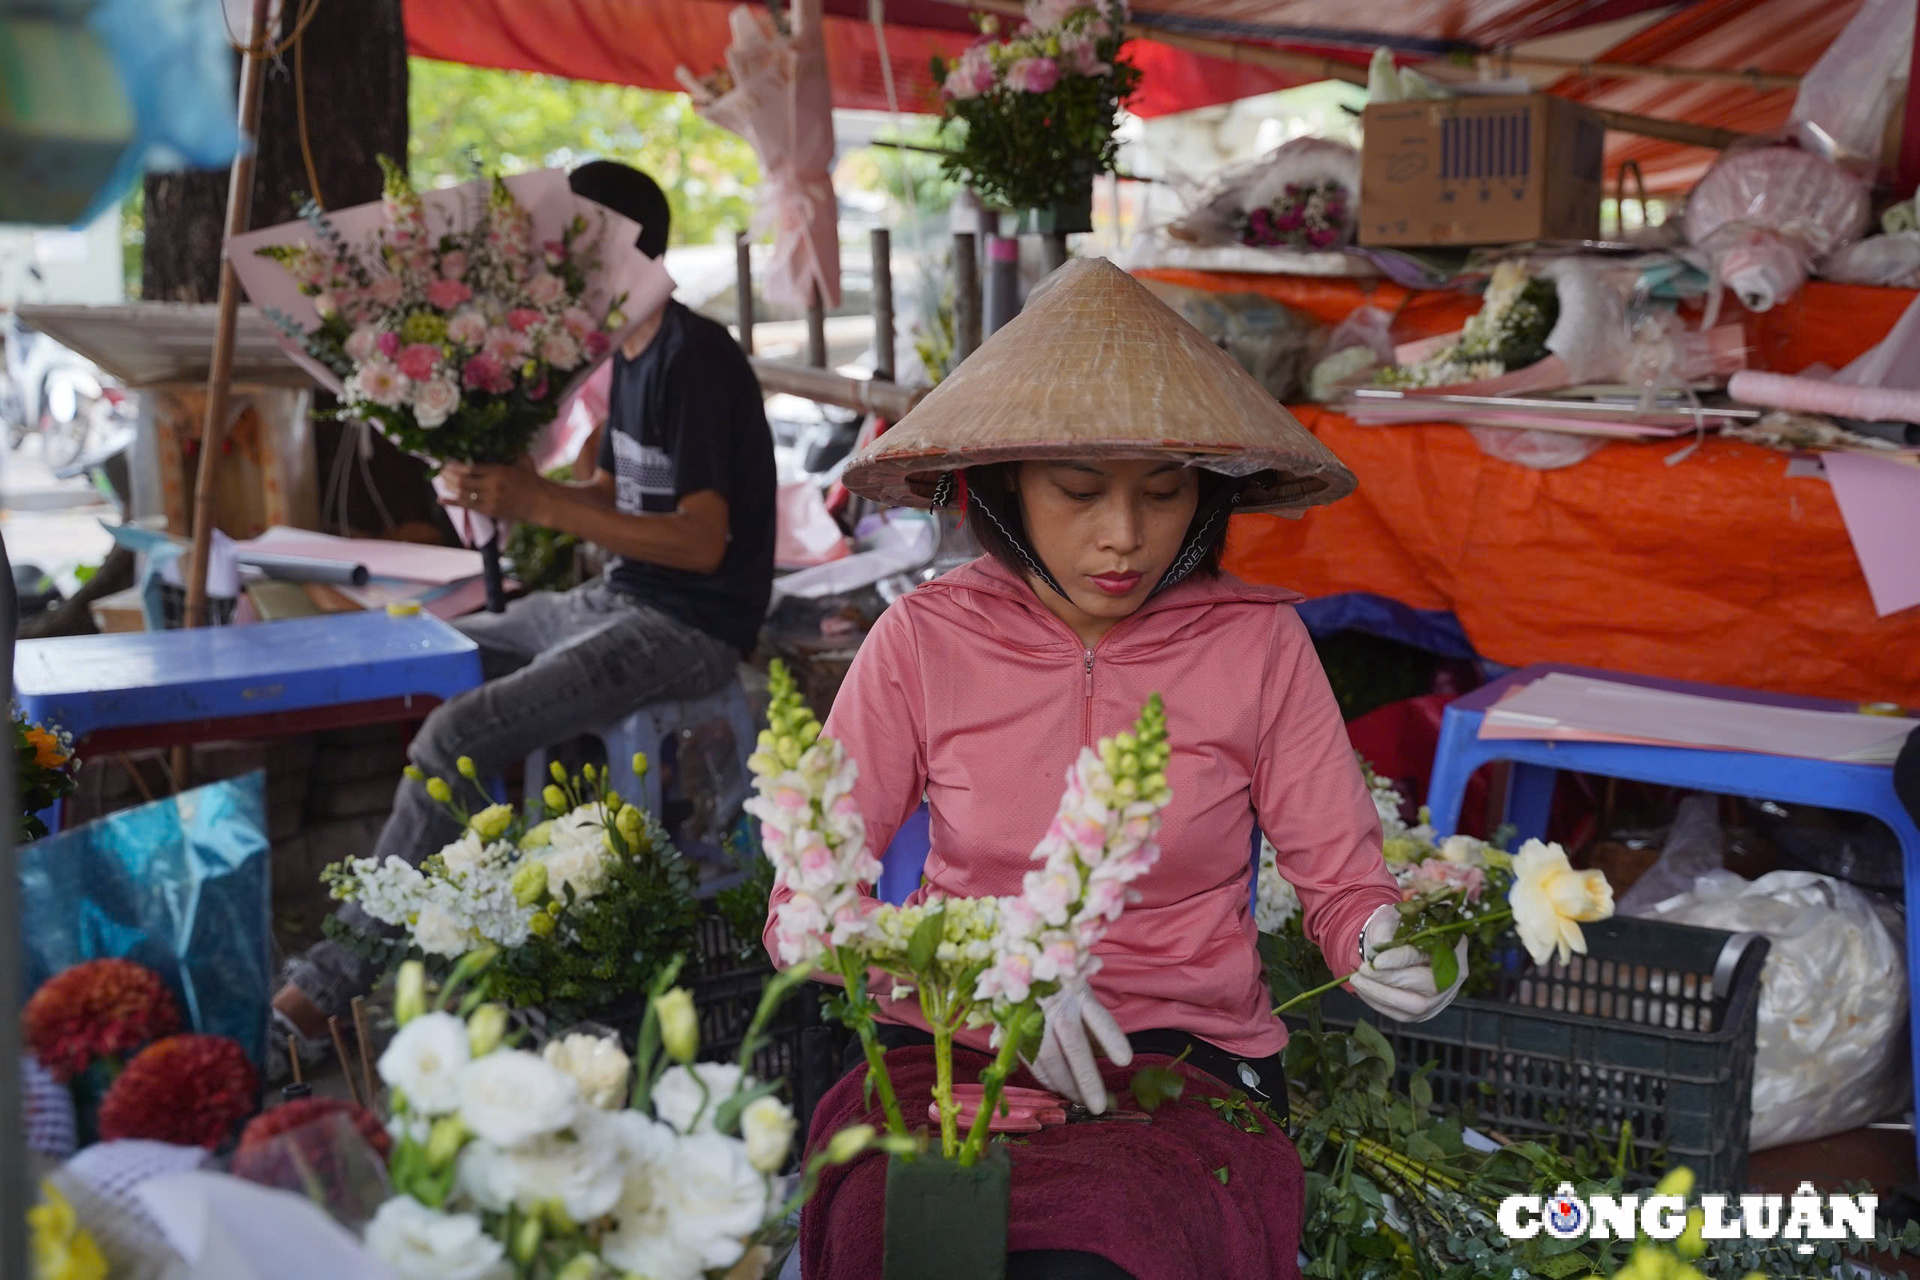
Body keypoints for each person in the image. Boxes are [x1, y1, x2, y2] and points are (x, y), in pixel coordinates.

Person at [772, 259, 1467, 1280]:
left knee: (1100, 1250)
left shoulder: (1260, 645)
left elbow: (1341, 877)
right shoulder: (922, 639)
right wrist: (990, 980)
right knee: (907, 1240)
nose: (1125, 535)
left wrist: (1385, 938)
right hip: (950, 1052)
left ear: (1208, 492)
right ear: (1004, 486)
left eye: (1165, 490)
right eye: (1081, 490)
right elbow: (806, 905)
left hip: (1185, 1063)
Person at [272, 161, 776, 1058]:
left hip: (687, 625)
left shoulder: (695, 357)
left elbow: (700, 542)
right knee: (428, 649)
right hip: (615, 596)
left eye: (567, 248)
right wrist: (508, 473)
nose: (552, 269)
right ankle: (470, 914)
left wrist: (539, 504)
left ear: (615, 251)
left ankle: (325, 988)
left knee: (454, 735)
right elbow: (610, 492)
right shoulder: (629, 353)